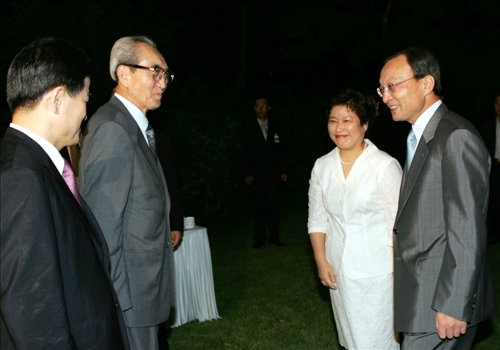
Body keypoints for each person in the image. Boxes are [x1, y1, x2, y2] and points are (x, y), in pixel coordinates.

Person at [1, 37, 127, 349]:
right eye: (84, 99)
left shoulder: (33, 164)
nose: (86, 113)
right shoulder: (22, 178)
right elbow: (35, 317)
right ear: (58, 100)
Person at [379, 47, 496, 349]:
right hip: (423, 299)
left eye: (392, 86)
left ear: (426, 84)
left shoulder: (455, 137)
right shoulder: (421, 136)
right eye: (381, 89)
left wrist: (454, 304)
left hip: (440, 305)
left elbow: (467, 229)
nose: (385, 96)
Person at [79, 35, 180, 350]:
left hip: (143, 294)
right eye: (155, 71)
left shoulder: (135, 127)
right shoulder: (112, 130)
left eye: (166, 74)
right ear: (124, 74)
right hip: (130, 300)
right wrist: (120, 303)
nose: (162, 82)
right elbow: (102, 230)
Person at [308, 89, 402, 349]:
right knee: (351, 339)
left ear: (365, 124)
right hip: (338, 269)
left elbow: (399, 225)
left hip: (379, 273)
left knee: (378, 340)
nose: (339, 127)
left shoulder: (384, 166)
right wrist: (320, 259)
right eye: (333, 120)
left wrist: (401, 275)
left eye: (347, 120)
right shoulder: (322, 166)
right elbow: (317, 218)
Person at [241, 97, 288, 248]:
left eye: (264, 106)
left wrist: (284, 170)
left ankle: (274, 237)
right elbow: (245, 153)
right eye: (257, 106)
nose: (260, 108)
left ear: (269, 108)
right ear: (254, 108)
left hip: (274, 176)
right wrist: (247, 173)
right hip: (256, 177)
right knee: (258, 209)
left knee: (274, 208)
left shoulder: (277, 126)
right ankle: (259, 239)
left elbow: (283, 151)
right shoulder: (248, 128)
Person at [480, 94, 500, 244]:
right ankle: (493, 235)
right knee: (493, 201)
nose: (499, 106)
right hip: (493, 167)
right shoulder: (487, 126)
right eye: (497, 103)